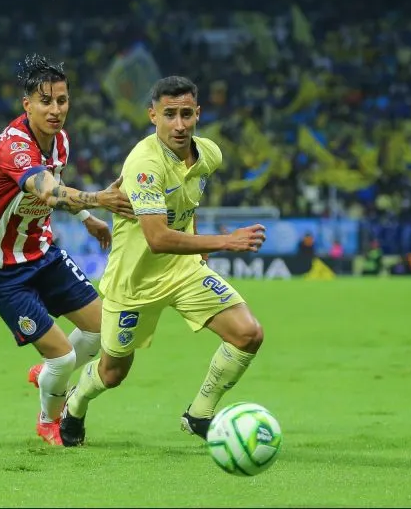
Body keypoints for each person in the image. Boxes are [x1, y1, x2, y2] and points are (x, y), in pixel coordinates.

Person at [57, 76, 267, 447]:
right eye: (170, 114)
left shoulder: (209, 155)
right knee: (113, 372)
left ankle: (199, 415)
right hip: (134, 282)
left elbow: (188, 201)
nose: (180, 124)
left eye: (187, 114)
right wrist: (225, 242)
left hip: (183, 271)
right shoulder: (144, 164)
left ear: (198, 114)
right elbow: (157, 239)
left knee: (248, 334)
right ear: (152, 115)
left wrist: (199, 243)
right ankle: (76, 402)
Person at [0, 53, 135, 446]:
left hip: (41, 252)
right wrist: (99, 199)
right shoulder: (15, 148)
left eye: (62, 101)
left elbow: (56, 186)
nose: (56, 110)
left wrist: (85, 218)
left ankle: (46, 376)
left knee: (102, 328)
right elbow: (44, 189)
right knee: (62, 356)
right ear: (28, 105)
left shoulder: (60, 140)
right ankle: (48, 420)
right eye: (46, 102)